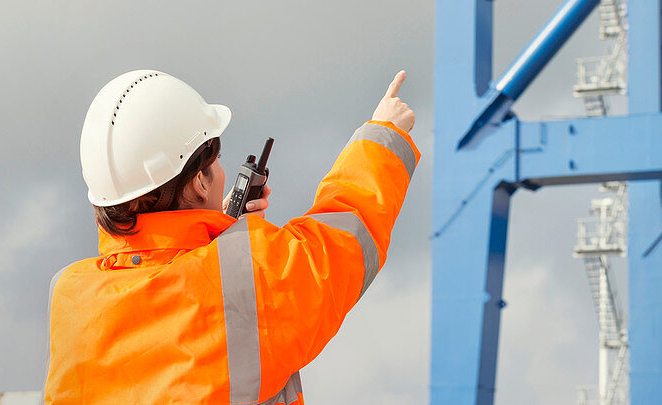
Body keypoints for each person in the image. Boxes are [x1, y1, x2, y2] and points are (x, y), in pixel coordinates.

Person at [43, 69, 418, 404]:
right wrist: (384, 134)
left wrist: (208, 237)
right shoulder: (243, 277)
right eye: (214, 162)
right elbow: (344, 238)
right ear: (200, 180)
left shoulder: (69, 296)